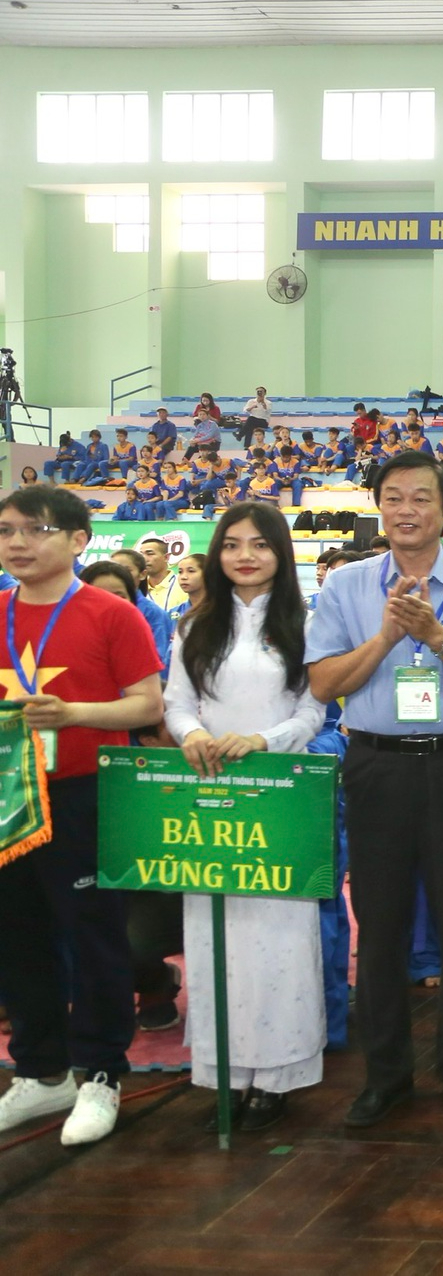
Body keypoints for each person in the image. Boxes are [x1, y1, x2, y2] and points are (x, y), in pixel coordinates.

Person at [305, 452, 443, 1128]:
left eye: (421, 498)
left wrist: (435, 635)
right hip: (376, 765)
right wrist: (389, 635)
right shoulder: (347, 587)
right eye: (393, 498)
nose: (406, 511)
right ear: (378, 507)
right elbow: (326, 683)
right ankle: (385, 1075)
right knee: (383, 924)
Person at [0, 486, 165, 1146]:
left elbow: (145, 706)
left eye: (32, 530)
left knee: (95, 934)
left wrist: (74, 716)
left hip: (84, 792)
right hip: (9, 798)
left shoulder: (110, 614)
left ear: (76, 540)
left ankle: (99, 1071)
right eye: (7, 530)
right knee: (16, 936)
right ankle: (41, 1074)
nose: (16, 542)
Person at [164, 503, 329, 1132]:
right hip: (207, 802)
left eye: (259, 545)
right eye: (232, 545)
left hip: (277, 794)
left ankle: (280, 1075)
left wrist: (264, 740)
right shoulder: (195, 627)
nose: (245, 556)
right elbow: (176, 704)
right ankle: (224, 1073)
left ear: (282, 554)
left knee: (280, 935)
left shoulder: (304, 627)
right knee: (213, 931)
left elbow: (313, 715)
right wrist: (193, 735)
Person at [137, 536, 188, 614]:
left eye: (150, 554)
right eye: (141, 555)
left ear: (166, 557)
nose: (144, 559)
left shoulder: (183, 584)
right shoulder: (137, 587)